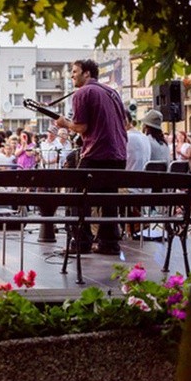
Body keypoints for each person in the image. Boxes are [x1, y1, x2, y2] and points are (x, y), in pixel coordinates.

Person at [55, 59, 128, 255]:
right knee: (109, 198)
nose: (71, 75)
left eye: (74, 71)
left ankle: (81, 242)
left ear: (87, 74)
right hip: (119, 155)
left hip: (96, 153)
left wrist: (64, 123)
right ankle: (109, 242)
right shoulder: (113, 92)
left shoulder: (83, 92)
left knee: (78, 197)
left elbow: (81, 127)